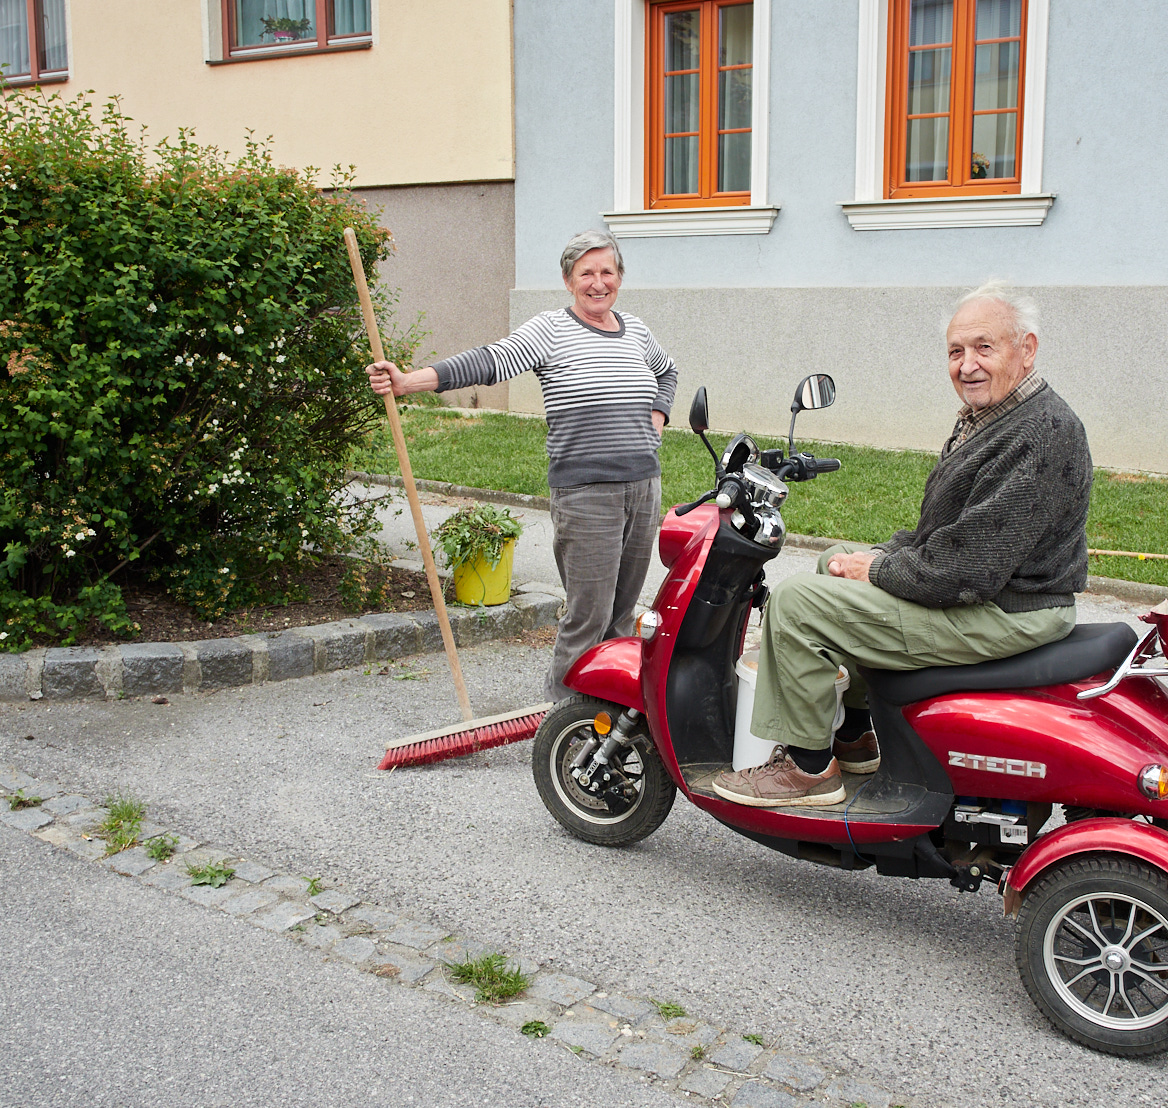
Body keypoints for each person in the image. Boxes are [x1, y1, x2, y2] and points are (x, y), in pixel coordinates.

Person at [714, 282, 1092, 807]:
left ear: (1026, 350)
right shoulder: (1000, 417)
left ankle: (807, 771)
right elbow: (944, 532)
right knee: (831, 561)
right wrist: (873, 557)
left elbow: (964, 572)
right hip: (991, 592)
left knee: (799, 603)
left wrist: (878, 571)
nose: (967, 365)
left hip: (1005, 610)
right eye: (956, 351)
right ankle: (856, 734)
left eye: (985, 347)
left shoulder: (1037, 433)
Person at [366, 230, 677, 702]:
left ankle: (608, 712)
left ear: (620, 277)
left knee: (621, 611)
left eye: (607, 271)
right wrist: (412, 381)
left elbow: (667, 370)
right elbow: (490, 361)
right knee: (587, 615)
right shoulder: (551, 329)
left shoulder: (636, 331)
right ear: (569, 280)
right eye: (586, 272)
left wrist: (659, 412)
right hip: (587, 492)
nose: (598, 282)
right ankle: (563, 719)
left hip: (643, 486)